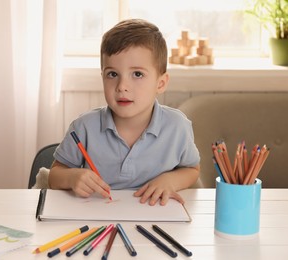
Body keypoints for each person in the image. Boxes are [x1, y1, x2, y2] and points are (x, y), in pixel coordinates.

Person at [48, 19, 200, 206]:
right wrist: (72, 177)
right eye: (112, 74)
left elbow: (192, 169)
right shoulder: (84, 127)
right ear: (102, 76)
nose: (122, 87)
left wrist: (170, 181)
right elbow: (55, 175)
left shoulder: (177, 127)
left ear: (160, 83)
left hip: (156, 219)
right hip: (96, 219)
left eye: (137, 74)